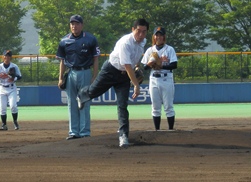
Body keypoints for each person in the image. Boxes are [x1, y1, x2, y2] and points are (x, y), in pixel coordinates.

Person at [77, 18, 149, 148]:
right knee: (93, 92)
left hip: (124, 78)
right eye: (138, 31)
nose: (141, 35)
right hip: (110, 70)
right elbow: (127, 65)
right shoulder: (125, 42)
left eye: (144, 32)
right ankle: (83, 93)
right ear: (133, 30)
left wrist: (137, 67)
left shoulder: (143, 42)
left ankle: (123, 136)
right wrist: (136, 85)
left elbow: (134, 61)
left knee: (122, 106)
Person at [56, 15, 100, 140]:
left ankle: (85, 132)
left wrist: (94, 76)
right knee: (71, 103)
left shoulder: (90, 39)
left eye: (76, 23)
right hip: (71, 73)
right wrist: (60, 78)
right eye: (72, 24)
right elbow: (62, 61)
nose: (74, 26)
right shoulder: (64, 41)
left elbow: (95, 58)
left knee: (84, 101)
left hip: (85, 72)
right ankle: (73, 131)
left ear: (82, 25)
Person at [141, 26, 178, 131]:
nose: (159, 37)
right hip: (153, 79)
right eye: (157, 35)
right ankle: (157, 130)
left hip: (166, 79)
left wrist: (162, 66)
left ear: (164, 37)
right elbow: (145, 67)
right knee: (155, 107)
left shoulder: (169, 49)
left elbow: (174, 65)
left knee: (168, 107)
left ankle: (170, 130)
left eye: (161, 35)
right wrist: (150, 63)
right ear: (154, 37)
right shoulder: (150, 50)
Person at [0, 50, 22, 131]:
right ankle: (4, 125)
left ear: (10, 57)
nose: (7, 57)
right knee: (2, 108)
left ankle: (15, 122)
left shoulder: (14, 66)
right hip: (2, 88)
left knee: (13, 106)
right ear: (3, 57)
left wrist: (13, 77)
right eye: (5, 56)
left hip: (12, 88)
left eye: (8, 56)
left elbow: (20, 77)